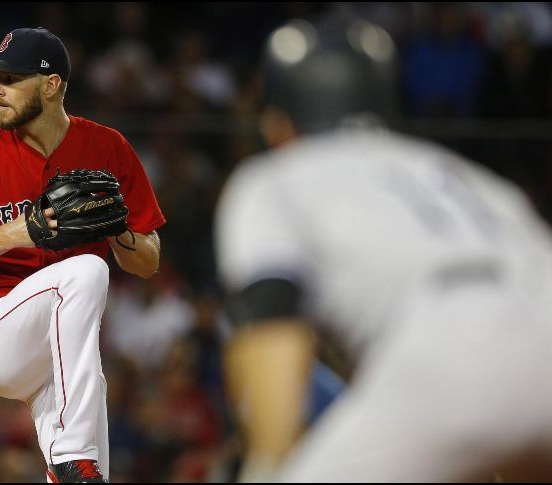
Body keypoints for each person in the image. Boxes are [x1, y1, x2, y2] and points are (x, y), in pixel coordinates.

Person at [215, 15, 552, 482]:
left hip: (449, 361)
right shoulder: (466, 175)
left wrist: (270, 461)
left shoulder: (273, 178)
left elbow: (272, 312)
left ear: (278, 125)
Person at [0, 27, 165, 483]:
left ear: (50, 85)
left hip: (62, 354)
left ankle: (71, 465)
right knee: (86, 269)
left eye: (9, 78)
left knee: (88, 476)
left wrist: (117, 227)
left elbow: (146, 262)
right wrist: (15, 233)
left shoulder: (108, 148)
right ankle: (70, 451)